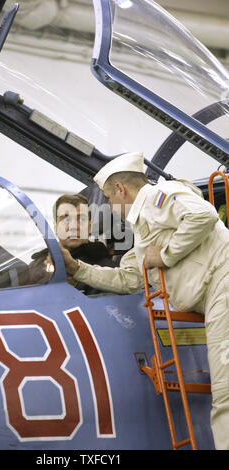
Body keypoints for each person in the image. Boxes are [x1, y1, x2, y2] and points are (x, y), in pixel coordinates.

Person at [60, 151, 229, 450]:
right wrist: (77, 268)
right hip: (215, 294)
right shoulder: (144, 232)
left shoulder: (158, 196)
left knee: (226, 395)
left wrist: (164, 255)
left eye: (110, 199)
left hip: (223, 284)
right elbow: (130, 279)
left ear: (121, 189)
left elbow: (203, 215)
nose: (112, 208)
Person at [27, 193, 116, 294]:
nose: (73, 226)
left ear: (90, 227)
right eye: (65, 219)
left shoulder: (108, 272)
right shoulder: (35, 266)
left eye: (81, 219)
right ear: (55, 227)